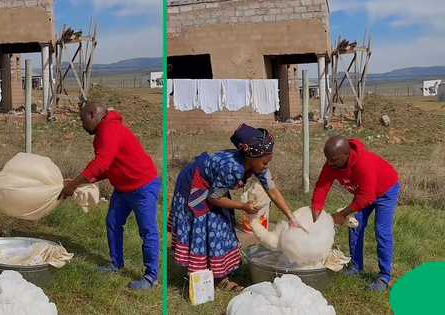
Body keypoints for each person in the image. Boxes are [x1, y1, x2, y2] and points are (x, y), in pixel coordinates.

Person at [168, 124, 306, 291]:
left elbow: (273, 191)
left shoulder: (256, 162)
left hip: (213, 188)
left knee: (222, 227)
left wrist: (292, 217)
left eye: (268, 161)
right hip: (194, 186)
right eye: (264, 162)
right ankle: (205, 277)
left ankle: (218, 273)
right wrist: (243, 206)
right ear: (251, 156)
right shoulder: (232, 168)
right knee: (209, 228)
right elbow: (213, 198)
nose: (266, 166)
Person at [59, 102, 160, 290]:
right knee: (113, 223)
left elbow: (101, 163)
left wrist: (74, 185)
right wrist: (79, 182)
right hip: (123, 188)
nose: (82, 125)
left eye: (82, 120)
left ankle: (151, 277)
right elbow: (107, 167)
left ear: (92, 114)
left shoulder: (110, 129)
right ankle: (116, 264)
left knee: (148, 231)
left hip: (143, 186)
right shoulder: (101, 134)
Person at [311, 135, 400, 292]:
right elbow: (322, 186)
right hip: (364, 192)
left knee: (382, 231)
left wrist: (342, 214)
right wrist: (316, 209)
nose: (329, 163)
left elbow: (367, 197)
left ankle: (384, 276)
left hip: (386, 190)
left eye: (334, 160)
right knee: (355, 226)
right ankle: (356, 268)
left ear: (347, 155)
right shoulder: (332, 163)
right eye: (328, 159)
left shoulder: (363, 164)